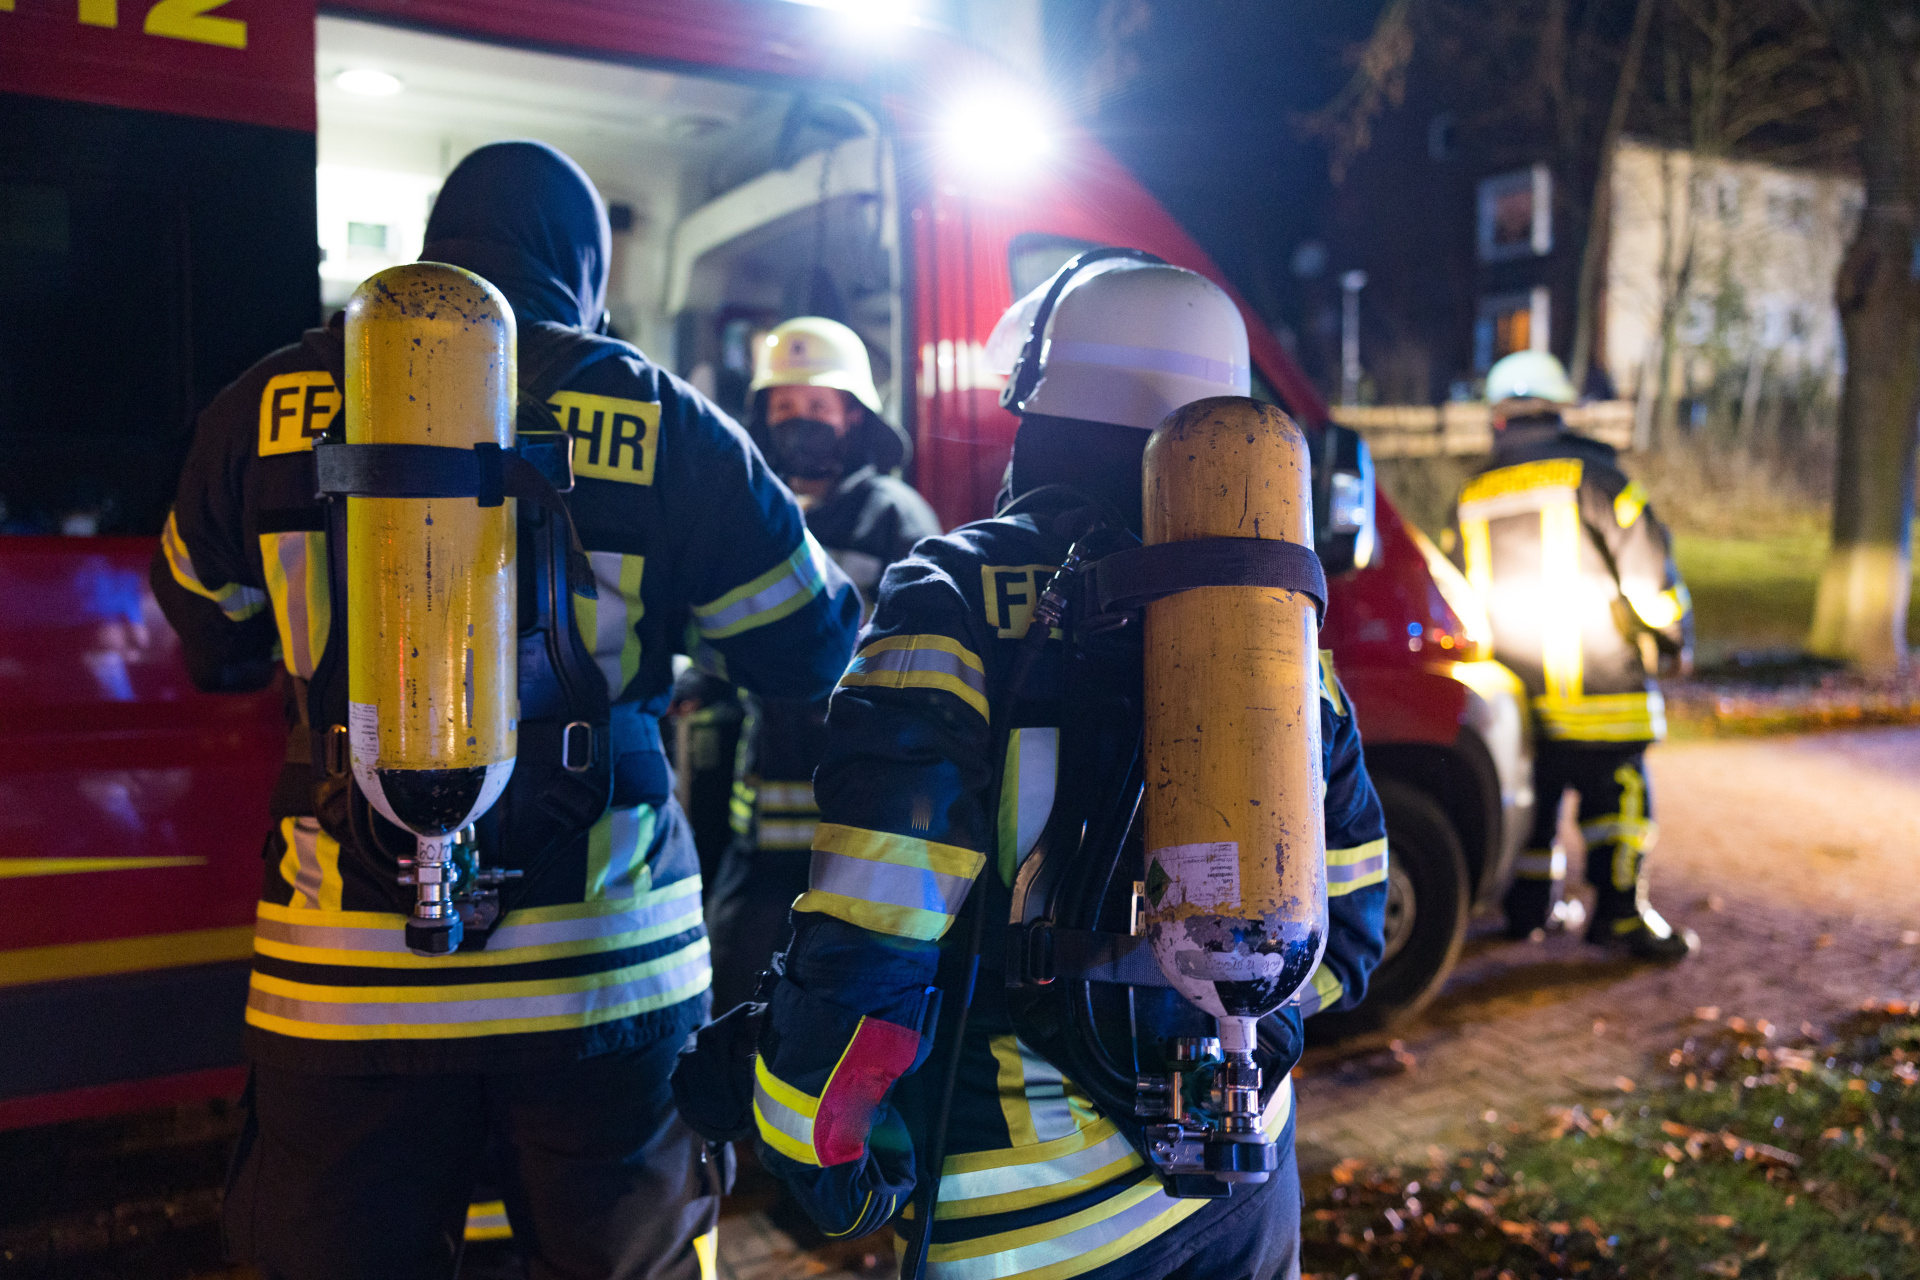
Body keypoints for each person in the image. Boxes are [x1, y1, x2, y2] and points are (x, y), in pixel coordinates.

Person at [151, 140, 861, 1280]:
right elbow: (812, 642)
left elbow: (209, 630)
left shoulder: (259, 408)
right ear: (579, 265)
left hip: (345, 987)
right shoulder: (657, 415)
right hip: (603, 982)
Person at [687, 257, 1388, 1279]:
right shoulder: (1272, 621)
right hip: (1247, 1189)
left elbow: (873, 931)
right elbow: (1347, 936)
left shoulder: (953, 591)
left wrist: (814, 1144)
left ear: (1041, 412)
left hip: (1027, 1226)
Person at [704, 316, 943, 1011]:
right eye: (784, 409)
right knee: (740, 977)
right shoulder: (753, 512)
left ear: (855, 416)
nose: (799, 422)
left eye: (817, 406)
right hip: (761, 823)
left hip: (858, 817)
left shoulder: (894, 517)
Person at [1454, 350, 1696, 961]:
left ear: (1499, 417)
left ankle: (1527, 909)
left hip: (1516, 696)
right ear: (1560, 410)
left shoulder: (1473, 494)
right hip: (1601, 689)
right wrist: (1674, 640)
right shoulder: (1597, 478)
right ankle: (1618, 916)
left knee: (1535, 808)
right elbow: (1651, 584)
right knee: (1617, 805)